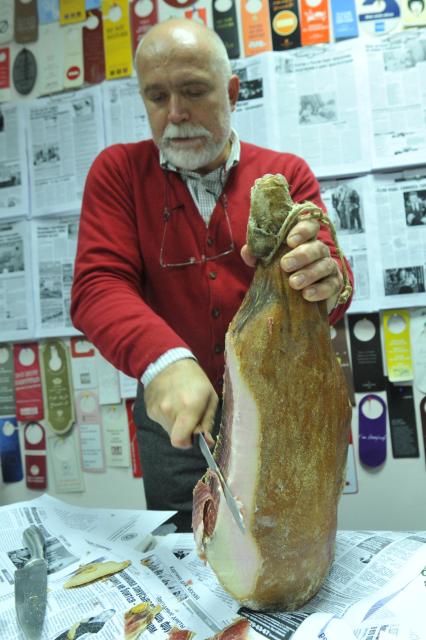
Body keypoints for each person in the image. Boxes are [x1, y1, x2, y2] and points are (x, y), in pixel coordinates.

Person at [71, 19, 353, 532]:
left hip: (281, 406)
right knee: (185, 544)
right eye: (157, 97)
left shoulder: (285, 173)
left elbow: (329, 276)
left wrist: (326, 281)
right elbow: (98, 286)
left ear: (232, 92)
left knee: (289, 539)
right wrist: (164, 360)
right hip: (178, 415)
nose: (175, 113)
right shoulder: (119, 173)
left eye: (194, 91)